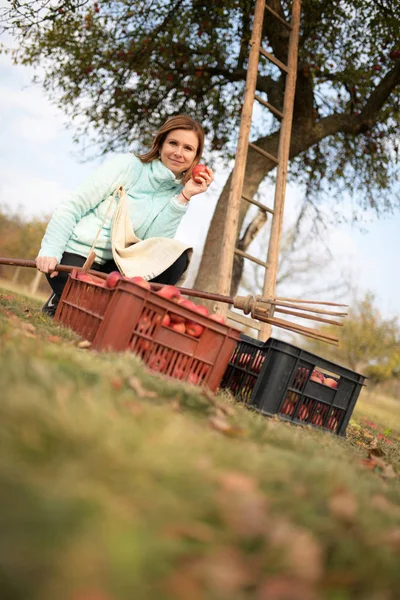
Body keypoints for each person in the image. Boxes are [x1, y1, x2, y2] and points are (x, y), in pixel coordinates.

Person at [36, 114, 214, 316]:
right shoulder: (129, 166)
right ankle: (63, 300)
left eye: (188, 148)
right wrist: (51, 250)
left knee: (176, 257)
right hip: (79, 255)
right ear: (161, 144)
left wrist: (184, 197)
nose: (178, 153)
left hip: (118, 266)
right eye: (173, 143)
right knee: (93, 307)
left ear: (195, 156)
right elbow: (73, 206)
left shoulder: (175, 193)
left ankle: (99, 307)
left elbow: (154, 246)